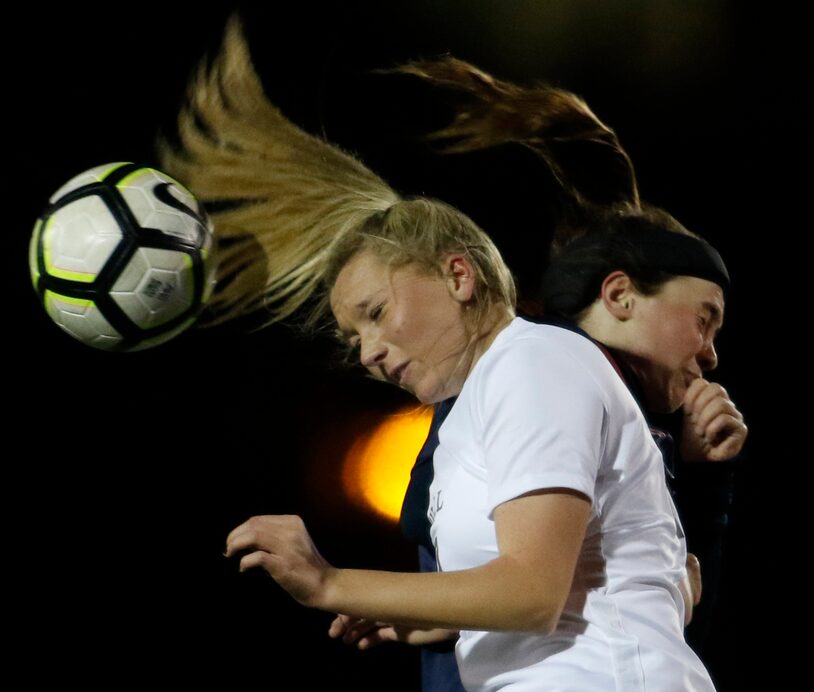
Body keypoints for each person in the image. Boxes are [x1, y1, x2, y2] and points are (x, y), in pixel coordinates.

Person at [162, 18, 729, 690]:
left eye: (375, 314)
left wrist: (331, 583)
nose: (369, 353)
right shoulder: (474, 411)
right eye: (353, 338)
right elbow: (574, 580)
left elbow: (533, 591)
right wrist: (434, 619)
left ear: (459, 276)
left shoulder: (535, 363)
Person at [362, 58, 745, 692]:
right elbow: (535, 595)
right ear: (620, 296)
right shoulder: (537, 368)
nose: (710, 353)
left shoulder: (593, 404)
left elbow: (659, 636)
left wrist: (705, 487)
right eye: (706, 320)